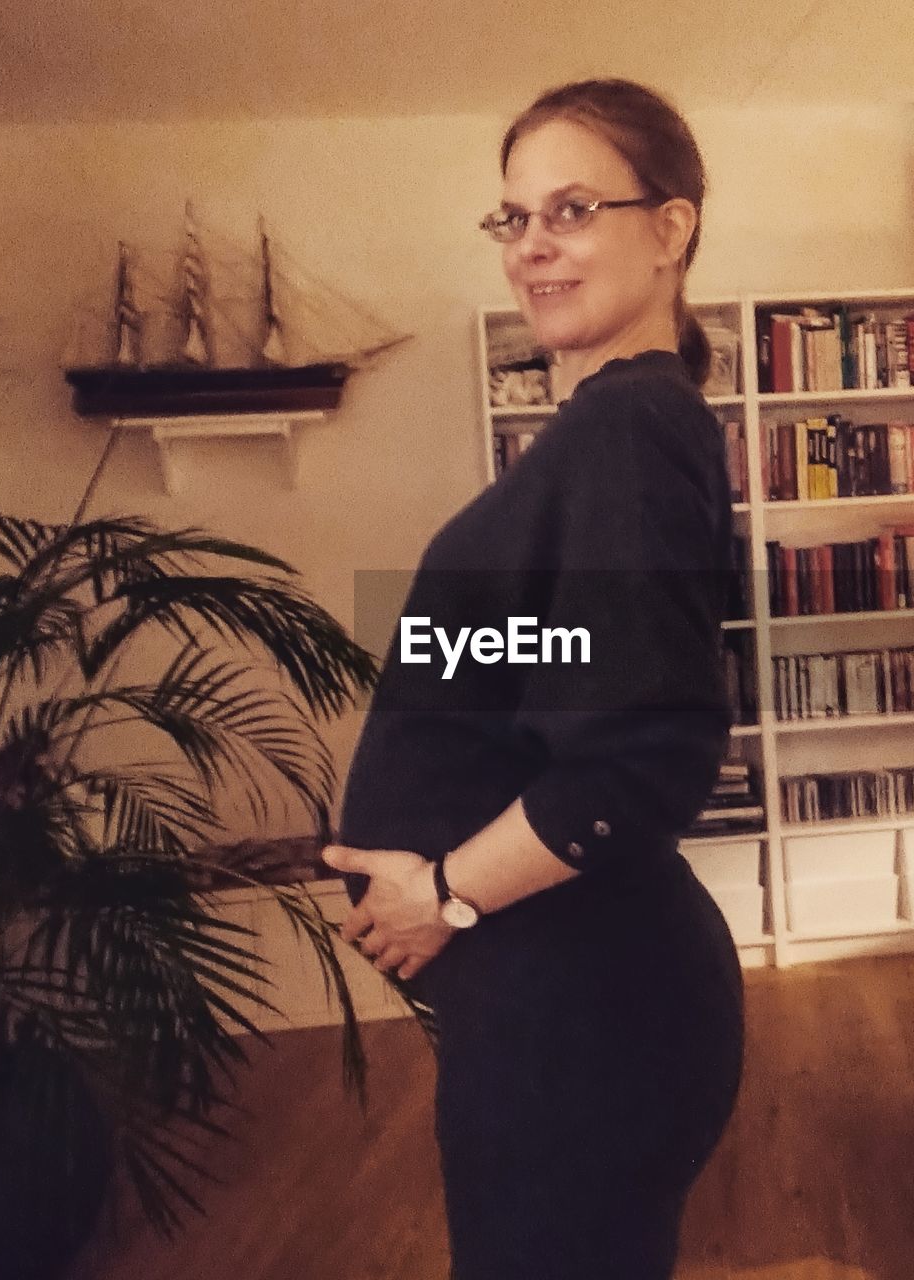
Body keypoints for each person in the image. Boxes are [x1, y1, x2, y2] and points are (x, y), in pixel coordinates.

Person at [322, 78, 746, 1280]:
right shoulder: (610, 431)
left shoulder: (627, 429)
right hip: (565, 998)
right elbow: (576, 663)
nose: (532, 246)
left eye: (570, 207)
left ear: (669, 229)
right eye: (512, 218)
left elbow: (645, 754)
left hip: (586, 1009)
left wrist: (443, 892)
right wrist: (432, 661)